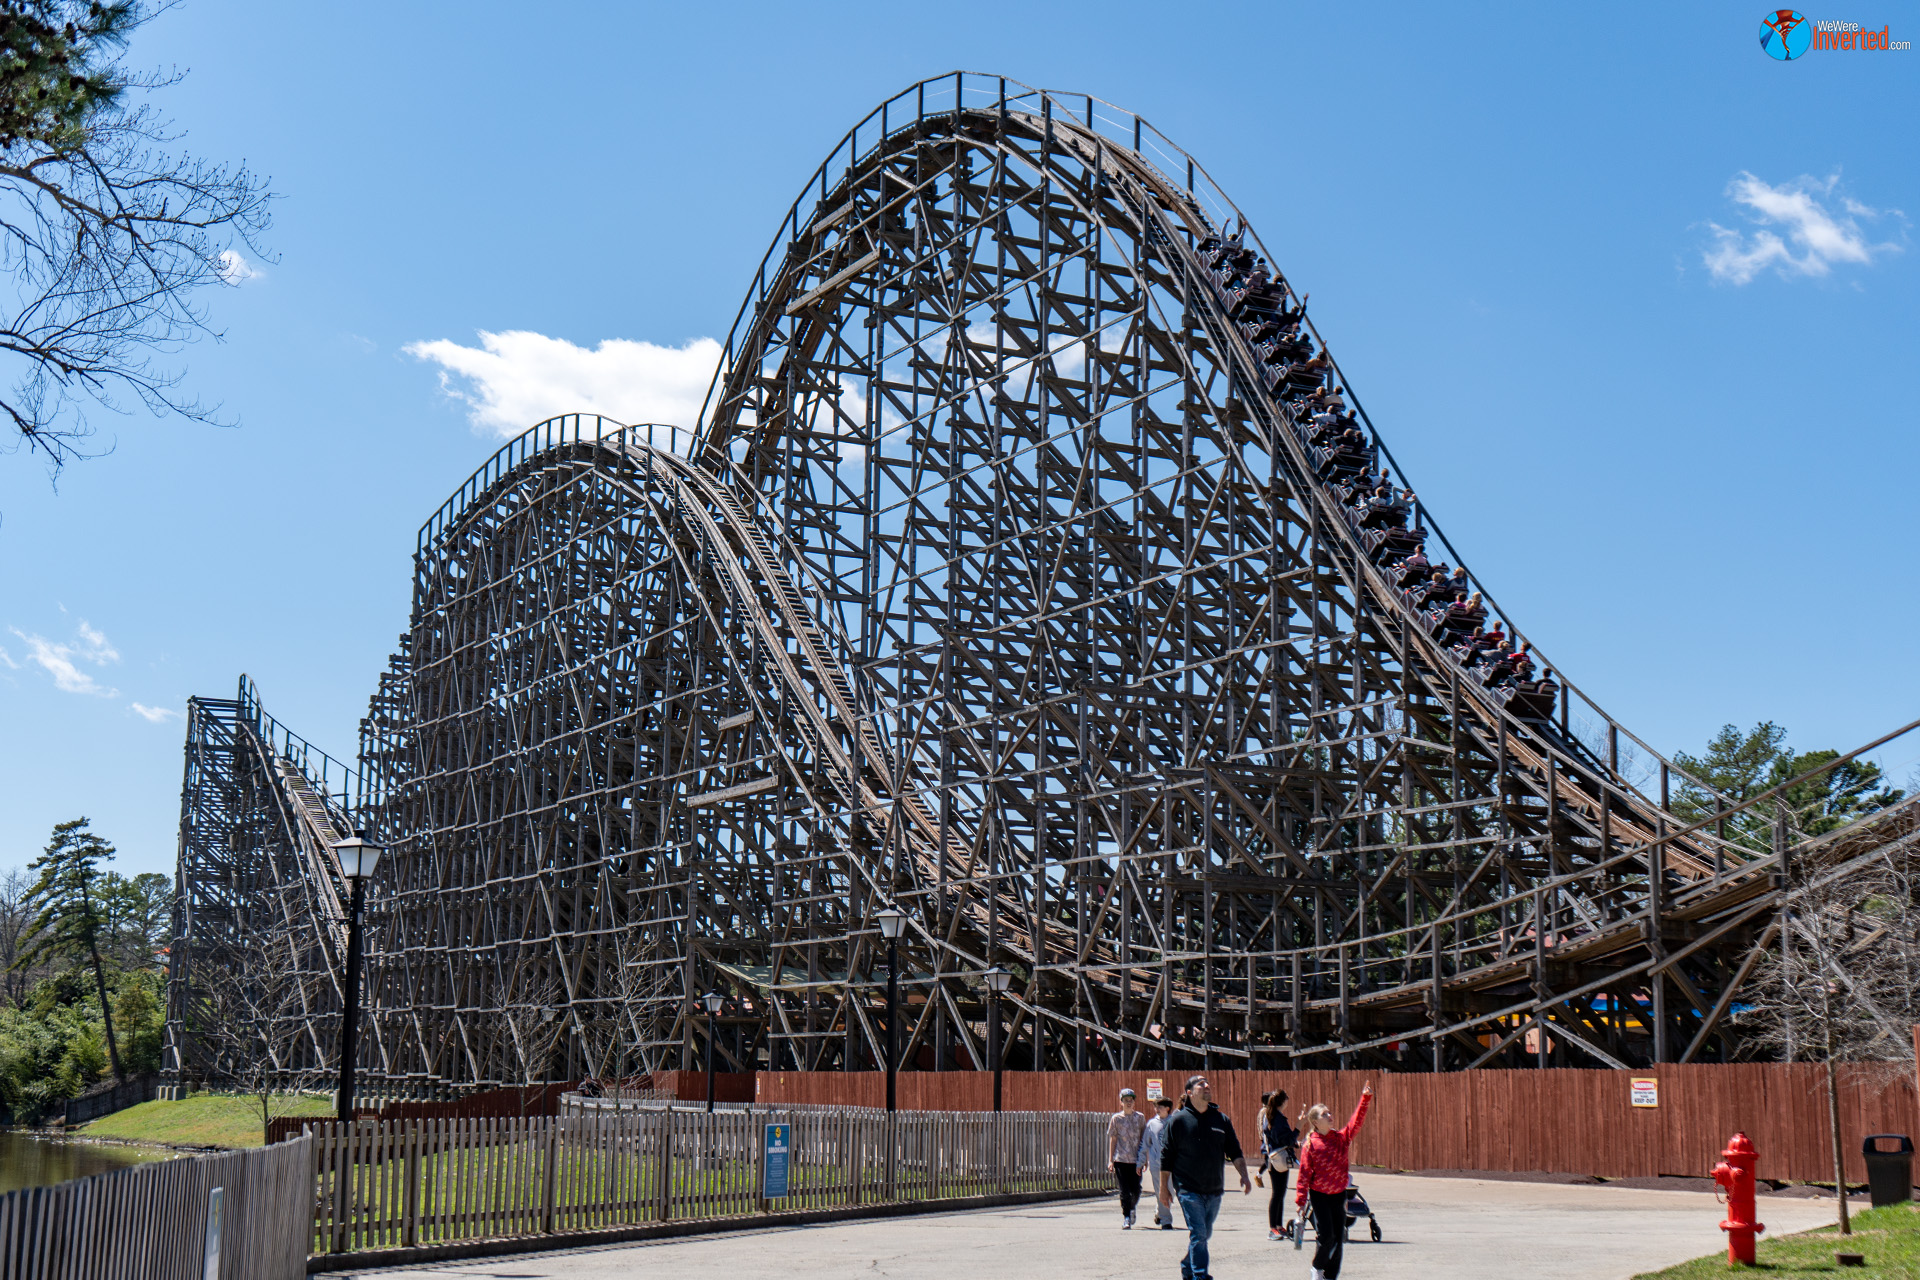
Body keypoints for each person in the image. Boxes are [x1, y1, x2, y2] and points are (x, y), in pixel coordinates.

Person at [1158, 1075, 1251, 1280]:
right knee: (1199, 1234)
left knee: (1203, 1235)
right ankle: (1200, 1275)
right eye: (1201, 1084)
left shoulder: (1221, 1120)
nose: (1207, 1086)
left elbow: (1234, 1151)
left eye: (1208, 1083)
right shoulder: (1178, 1121)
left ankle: (1187, 1265)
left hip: (1214, 1189)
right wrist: (1164, 1188)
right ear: (1190, 1092)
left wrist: (1244, 1175)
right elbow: (1166, 1157)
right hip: (1188, 1189)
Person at [1295, 1082, 1375, 1280]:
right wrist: (1300, 1201)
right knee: (1327, 1237)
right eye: (1325, 1114)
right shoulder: (1310, 1144)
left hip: (1339, 1195)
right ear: (1315, 1121)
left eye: (1329, 1113)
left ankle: (1330, 1276)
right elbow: (1304, 1174)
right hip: (1320, 1196)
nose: (1330, 1116)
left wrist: (1365, 1099)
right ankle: (1317, 1268)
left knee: (1338, 1240)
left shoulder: (1340, 1138)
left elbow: (1356, 1122)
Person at [1258, 1088, 1300, 1241]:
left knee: (1280, 1193)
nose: (1288, 1100)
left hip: (1276, 1157)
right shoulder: (1277, 1118)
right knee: (1277, 1193)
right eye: (1286, 1098)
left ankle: (1278, 1225)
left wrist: (1294, 1142)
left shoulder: (1274, 1116)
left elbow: (1280, 1139)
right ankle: (1273, 1228)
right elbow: (1285, 1139)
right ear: (1282, 1102)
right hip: (1276, 1159)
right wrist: (1298, 1128)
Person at [1137, 1095, 1179, 1230]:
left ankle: (1159, 1211)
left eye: (1159, 1107)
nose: (1156, 1109)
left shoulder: (1175, 1122)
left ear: (1167, 1108)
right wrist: (1141, 1161)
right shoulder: (1151, 1124)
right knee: (1160, 1190)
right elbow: (1145, 1144)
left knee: (1170, 1191)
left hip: (1172, 1165)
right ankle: (1166, 1220)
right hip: (1156, 1164)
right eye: (1155, 1107)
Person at [1108, 1087, 1148, 1228]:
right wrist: (1110, 1159)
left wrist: (1145, 1158)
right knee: (1124, 1190)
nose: (1129, 1103)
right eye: (1126, 1100)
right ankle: (1126, 1216)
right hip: (1121, 1159)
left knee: (1136, 1189)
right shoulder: (1116, 1119)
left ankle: (1132, 1207)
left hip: (1136, 1160)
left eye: (1131, 1100)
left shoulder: (1140, 1117)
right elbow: (1113, 1139)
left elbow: (1144, 1138)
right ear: (1121, 1102)